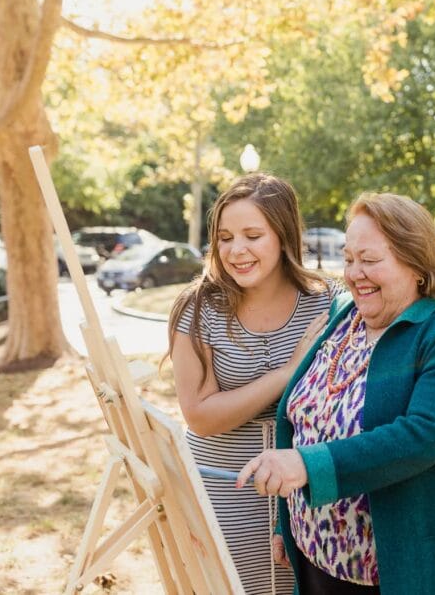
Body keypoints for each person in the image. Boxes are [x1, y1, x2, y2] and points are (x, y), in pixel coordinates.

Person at [237, 192, 435, 595]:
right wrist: (284, 523)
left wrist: (306, 466)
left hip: (400, 571)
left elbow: (422, 435)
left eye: (370, 260)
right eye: (349, 258)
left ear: (418, 263)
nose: (355, 273)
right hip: (316, 558)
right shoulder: (344, 315)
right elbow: (303, 423)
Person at [166, 173, 336, 595]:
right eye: (224, 237)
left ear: (283, 236)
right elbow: (200, 416)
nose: (235, 250)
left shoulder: (326, 302)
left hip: (303, 491)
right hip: (222, 487)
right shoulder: (198, 306)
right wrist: (286, 373)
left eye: (252, 235)